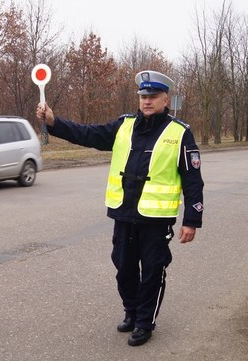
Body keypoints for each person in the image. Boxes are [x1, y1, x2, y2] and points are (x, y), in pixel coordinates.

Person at [35, 70, 204, 346]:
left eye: (153, 97)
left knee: (152, 270)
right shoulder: (124, 126)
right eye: (143, 96)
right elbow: (88, 134)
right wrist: (54, 122)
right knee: (124, 267)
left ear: (165, 99)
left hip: (156, 218)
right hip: (124, 213)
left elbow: (193, 179)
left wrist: (192, 218)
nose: (147, 101)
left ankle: (144, 322)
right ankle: (131, 311)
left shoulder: (180, 134)